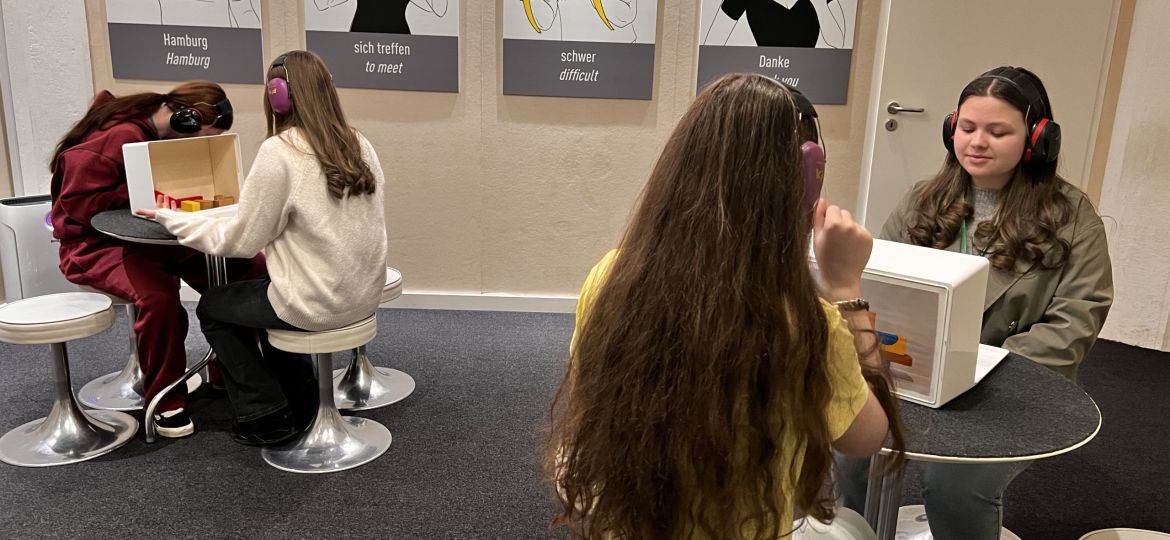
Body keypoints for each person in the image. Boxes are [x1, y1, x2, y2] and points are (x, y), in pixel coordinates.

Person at [546, 73, 905, 539]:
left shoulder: (611, 275)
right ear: (804, 182)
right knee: (853, 528)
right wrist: (846, 290)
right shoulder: (806, 322)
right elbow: (867, 438)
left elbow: (585, 391)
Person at [840, 66, 1114, 540]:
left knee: (955, 483)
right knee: (847, 444)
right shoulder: (923, 200)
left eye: (997, 132)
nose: (977, 142)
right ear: (952, 129)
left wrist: (978, 370)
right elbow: (879, 285)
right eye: (967, 128)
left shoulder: (1072, 217)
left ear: (1036, 140)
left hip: (1008, 391)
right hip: (913, 375)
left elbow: (1077, 317)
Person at [137, 50, 387, 446]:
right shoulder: (359, 143)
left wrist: (174, 219)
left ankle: (264, 412)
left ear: (278, 96)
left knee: (214, 307)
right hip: (364, 296)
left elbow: (241, 242)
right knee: (267, 295)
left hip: (315, 304)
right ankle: (301, 400)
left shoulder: (280, 151)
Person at [50, 81, 265, 439]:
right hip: (93, 244)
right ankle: (165, 399)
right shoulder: (119, 136)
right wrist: (149, 191)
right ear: (186, 120)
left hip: (155, 238)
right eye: (202, 137)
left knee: (248, 269)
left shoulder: (152, 133)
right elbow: (79, 204)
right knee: (159, 301)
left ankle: (230, 371)